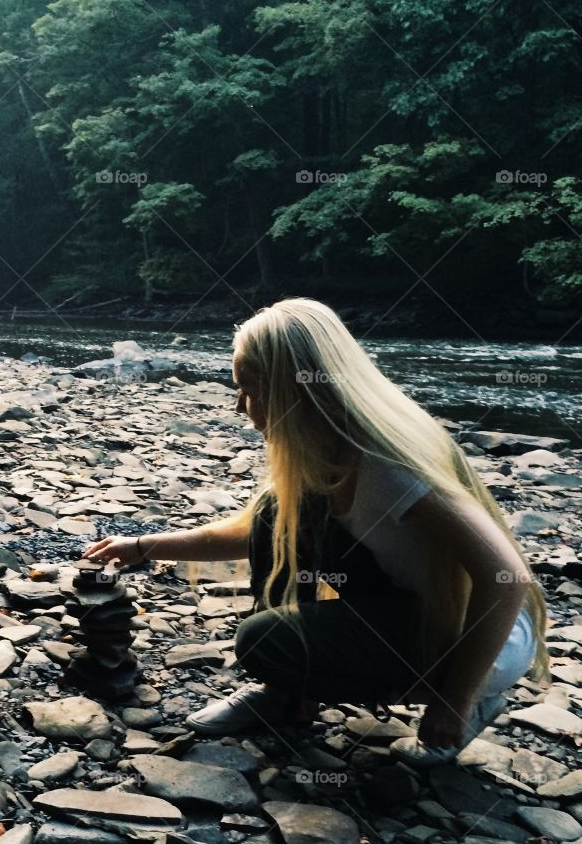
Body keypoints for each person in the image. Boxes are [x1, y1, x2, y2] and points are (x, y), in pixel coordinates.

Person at [83, 297, 549, 766]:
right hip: (411, 605)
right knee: (276, 516)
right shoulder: (324, 450)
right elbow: (251, 533)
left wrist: (456, 698)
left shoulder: (388, 465)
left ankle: (476, 700)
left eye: (247, 389)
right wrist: (144, 546)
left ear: (292, 391)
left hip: (487, 639)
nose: (239, 405)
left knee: (267, 641)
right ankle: (287, 697)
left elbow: (507, 578)